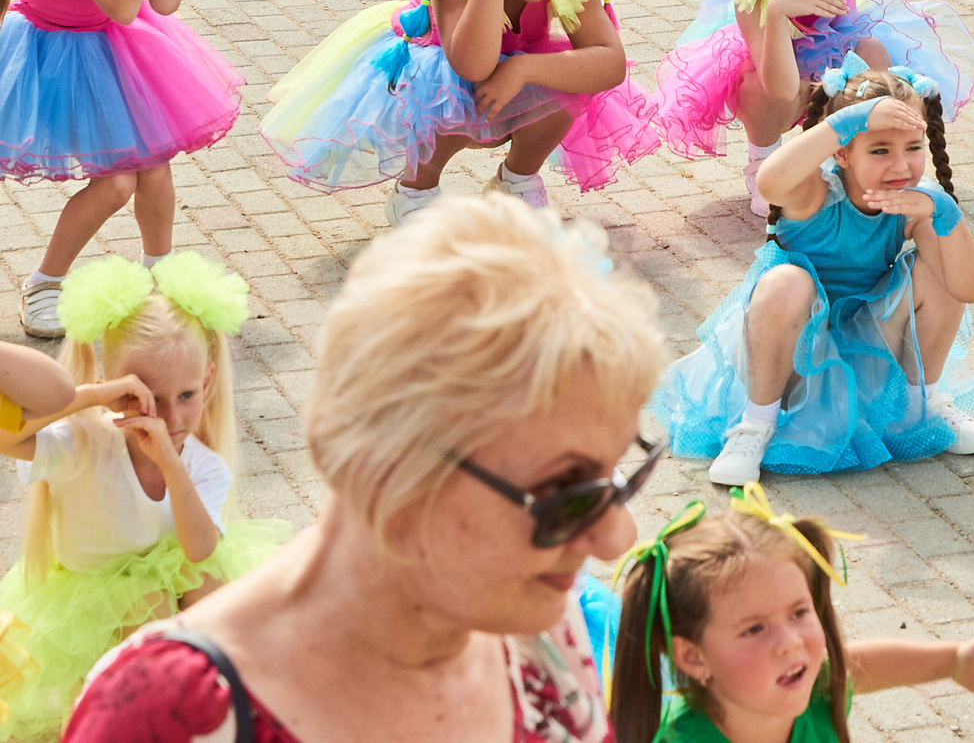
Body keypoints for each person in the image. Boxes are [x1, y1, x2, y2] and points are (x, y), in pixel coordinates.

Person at [61, 196, 667, 743]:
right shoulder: (164, 715)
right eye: (564, 495)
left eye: (621, 478)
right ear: (389, 472)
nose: (617, 539)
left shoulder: (536, 623)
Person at [653, 67, 974, 483]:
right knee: (786, 280)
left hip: (868, 352)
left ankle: (921, 403)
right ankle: (755, 424)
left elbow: (967, 287)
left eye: (912, 147)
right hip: (786, 356)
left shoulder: (917, 202)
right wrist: (846, 121)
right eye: (879, 150)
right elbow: (770, 179)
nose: (901, 165)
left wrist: (945, 214)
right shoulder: (815, 192)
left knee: (937, 264)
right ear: (842, 153)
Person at [0, 254, 288, 738]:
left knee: (225, 605)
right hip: (91, 604)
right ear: (117, 386)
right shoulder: (82, 444)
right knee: (149, 603)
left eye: (186, 396)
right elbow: (9, 437)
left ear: (209, 382)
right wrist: (91, 395)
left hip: (176, 583)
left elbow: (200, 549)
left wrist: (171, 464)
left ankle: (224, 714)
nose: (169, 418)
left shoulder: (199, 463)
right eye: (145, 396)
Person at [260, 0, 658, 219]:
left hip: (501, 71)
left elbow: (609, 65)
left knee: (572, 78)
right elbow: (472, 66)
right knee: (443, 88)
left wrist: (523, 68)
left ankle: (516, 183)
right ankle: (416, 190)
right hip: (436, 70)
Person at [0, 0, 237, 339]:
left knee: (154, 166)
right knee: (115, 185)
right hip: (54, 53)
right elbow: (121, 5)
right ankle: (45, 283)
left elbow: (166, 0)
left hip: (114, 46)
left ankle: (161, 274)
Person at [654, 0, 974, 212]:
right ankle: (765, 168)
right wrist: (778, 11)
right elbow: (782, 90)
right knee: (753, 82)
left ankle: (856, 161)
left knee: (872, 52)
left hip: (836, 68)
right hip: (785, 84)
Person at [606, 499, 974, 743]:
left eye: (799, 613)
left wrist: (953, 661)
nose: (791, 643)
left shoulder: (812, 693)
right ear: (692, 656)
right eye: (754, 628)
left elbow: (857, 665)